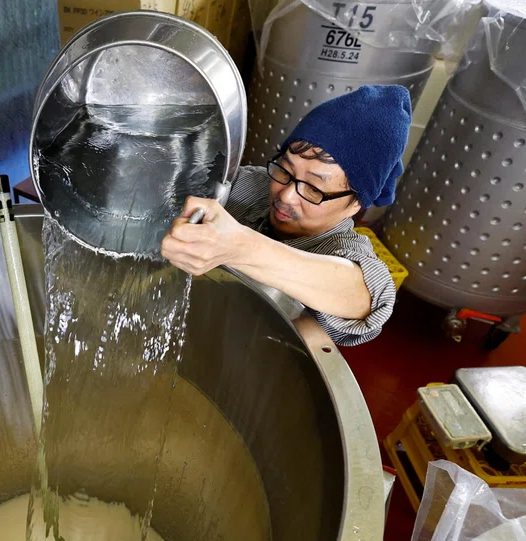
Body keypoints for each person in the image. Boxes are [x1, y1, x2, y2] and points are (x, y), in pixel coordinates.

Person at [161, 84, 412, 346]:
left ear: (355, 204)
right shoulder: (247, 185)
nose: (286, 196)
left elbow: (366, 295)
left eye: (314, 188)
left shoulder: (343, 251)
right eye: (285, 170)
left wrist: (240, 248)